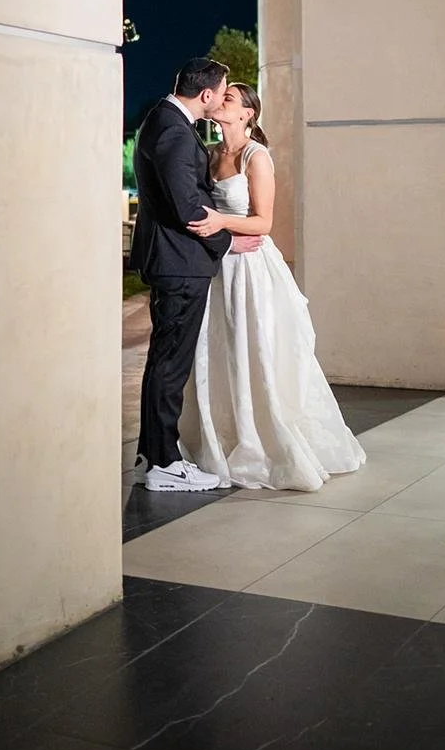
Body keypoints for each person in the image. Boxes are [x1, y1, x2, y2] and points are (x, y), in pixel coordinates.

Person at [182, 81, 365, 490]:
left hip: (250, 269)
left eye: (228, 98)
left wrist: (221, 223)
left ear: (248, 113)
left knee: (254, 348)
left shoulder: (256, 156)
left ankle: (261, 439)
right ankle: (220, 437)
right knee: (220, 350)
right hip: (218, 266)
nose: (219, 100)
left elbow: (263, 222)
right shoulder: (210, 154)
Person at [131, 58, 262, 491]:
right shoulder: (171, 127)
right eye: (220, 92)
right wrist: (227, 243)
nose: (221, 99)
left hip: (175, 261)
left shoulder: (164, 120)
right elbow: (187, 206)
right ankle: (164, 464)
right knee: (170, 363)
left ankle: (156, 453)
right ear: (205, 95)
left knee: (166, 362)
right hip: (179, 264)